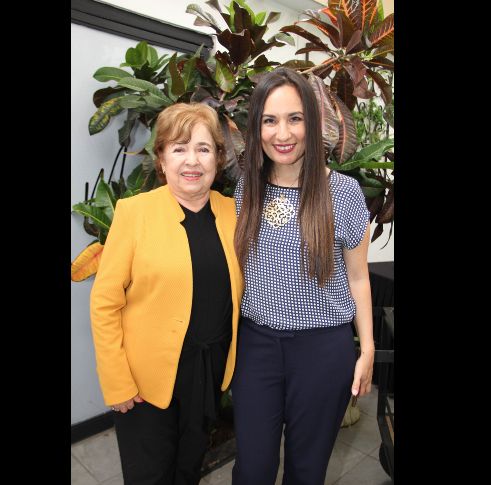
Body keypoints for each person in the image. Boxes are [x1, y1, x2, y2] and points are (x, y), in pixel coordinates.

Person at [231, 68, 376, 484]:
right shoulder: (247, 190)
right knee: (253, 468)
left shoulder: (343, 193)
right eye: (270, 120)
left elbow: (358, 278)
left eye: (295, 118)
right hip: (255, 347)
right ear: (257, 126)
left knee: (307, 470)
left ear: (312, 124)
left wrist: (366, 349)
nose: (283, 133)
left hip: (322, 351)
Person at [89, 102, 243, 485]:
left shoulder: (233, 213)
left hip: (206, 374)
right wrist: (117, 381)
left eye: (204, 149)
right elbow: (105, 303)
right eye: (179, 148)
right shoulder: (134, 213)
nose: (192, 161)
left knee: (188, 470)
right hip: (144, 382)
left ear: (218, 158)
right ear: (161, 158)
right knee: (150, 476)